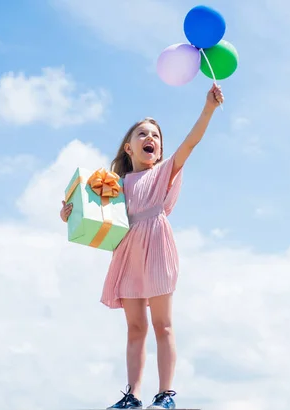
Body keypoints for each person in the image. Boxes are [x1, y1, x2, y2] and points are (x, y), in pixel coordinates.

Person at [60, 83, 224, 409]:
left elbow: (191, 142)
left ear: (160, 151)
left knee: (163, 325)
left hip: (157, 247)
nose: (150, 138)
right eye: (142, 134)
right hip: (129, 254)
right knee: (136, 329)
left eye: (156, 136)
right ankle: (132, 397)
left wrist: (208, 109)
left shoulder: (164, 172)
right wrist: (69, 213)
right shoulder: (114, 185)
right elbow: (93, 215)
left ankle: (165, 396)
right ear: (128, 148)